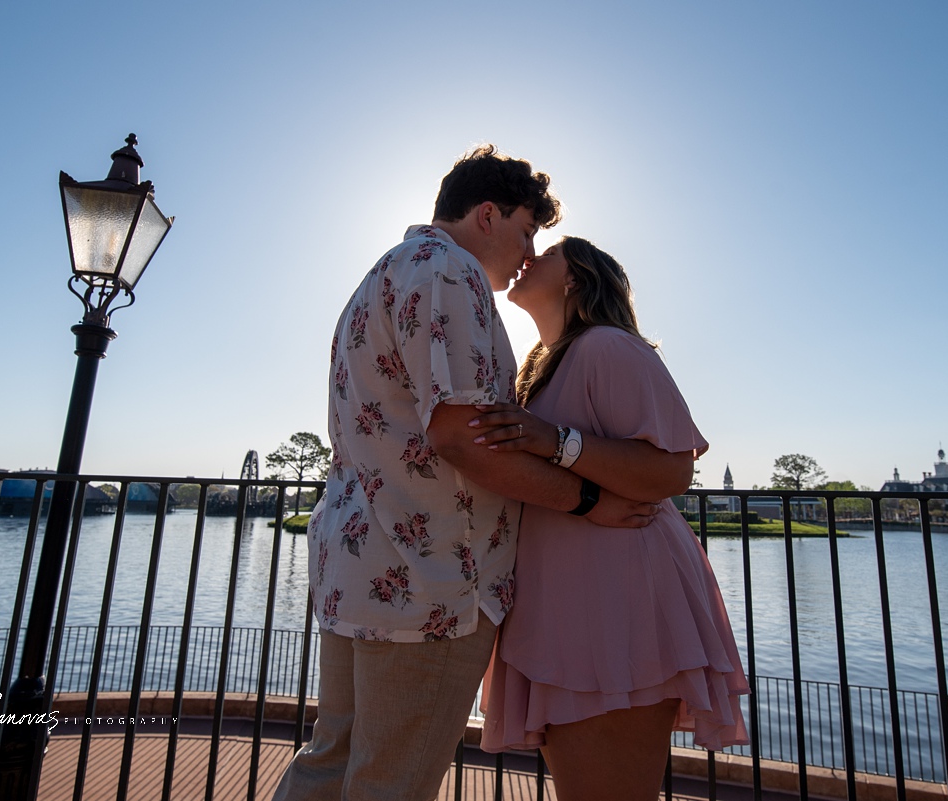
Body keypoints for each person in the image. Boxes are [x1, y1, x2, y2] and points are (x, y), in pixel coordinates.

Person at [271, 149, 660, 801]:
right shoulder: (449, 271)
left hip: (359, 572)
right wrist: (588, 499)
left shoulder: (382, 275)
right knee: (390, 781)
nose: (526, 253)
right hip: (433, 586)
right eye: (526, 230)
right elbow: (463, 437)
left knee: (327, 764)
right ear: (488, 214)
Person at [471, 236, 750, 801]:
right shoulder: (541, 367)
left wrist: (554, 440)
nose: (529, 255)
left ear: (576, 278)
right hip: (568, 606)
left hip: (618, 606)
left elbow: (672, 473)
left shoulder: (607, 347)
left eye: (547, 253)